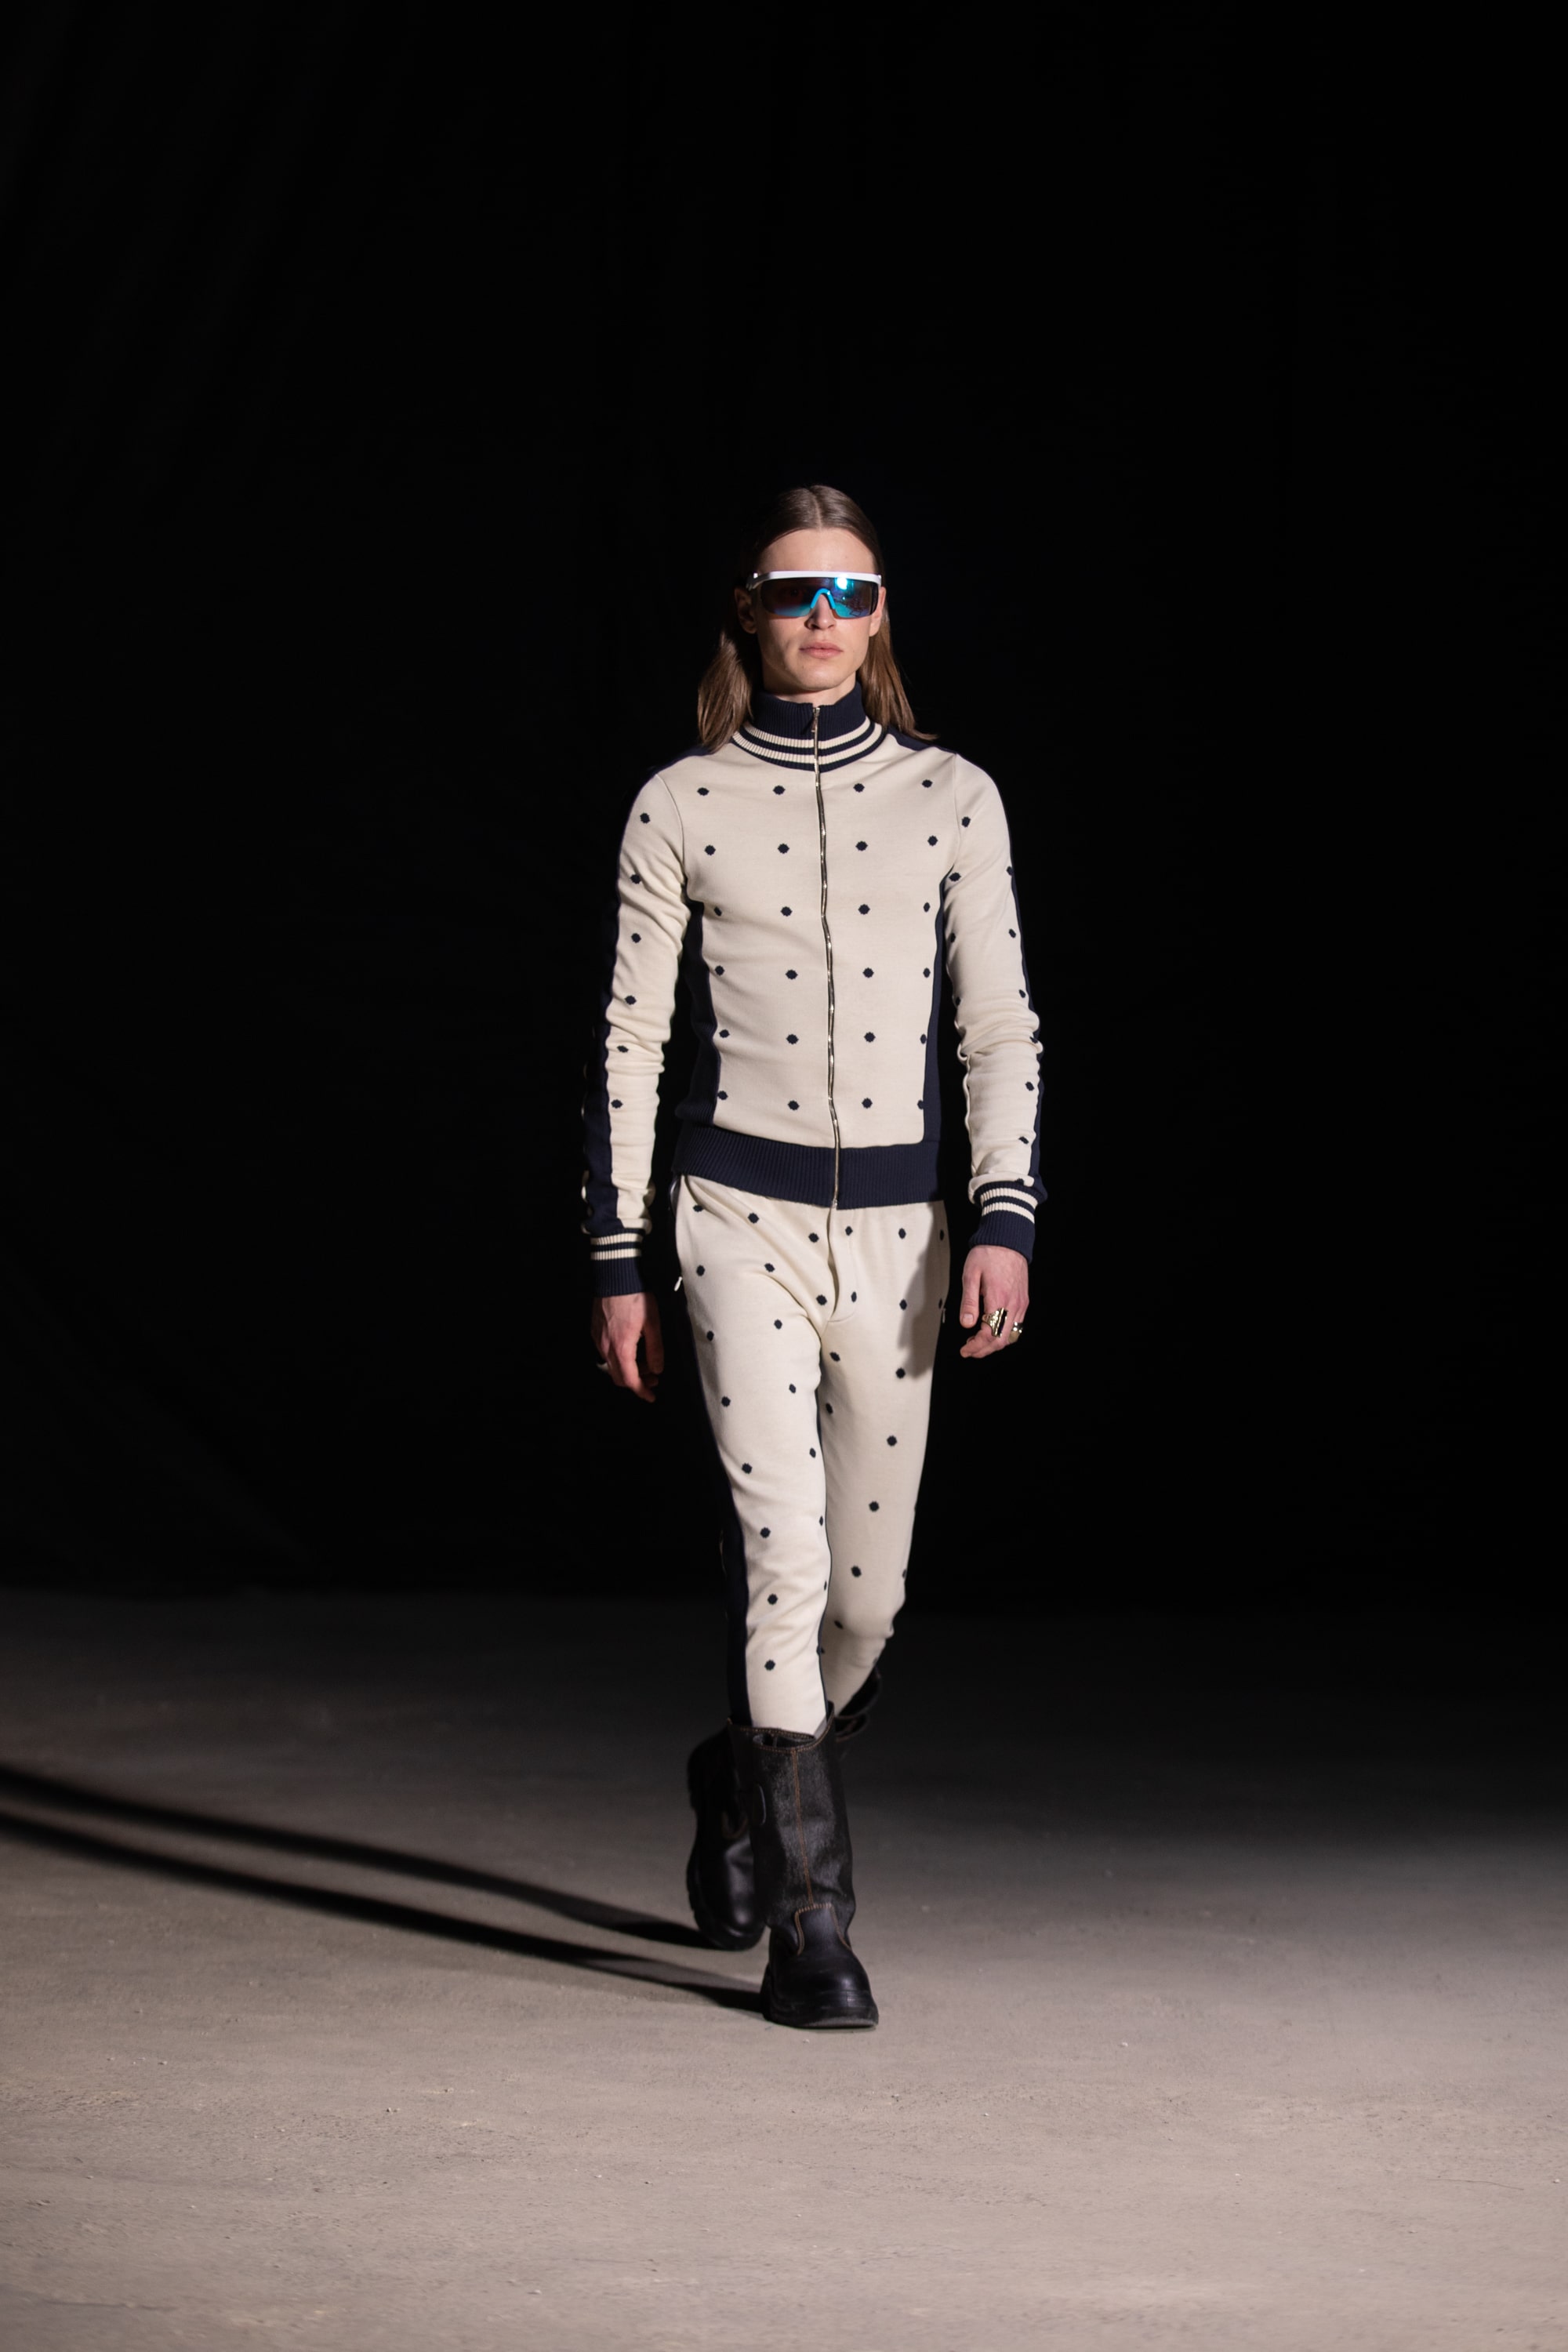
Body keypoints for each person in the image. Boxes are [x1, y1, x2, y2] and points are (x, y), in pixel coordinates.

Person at [583, 485, 1040, 2029]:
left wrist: (1004, 1213)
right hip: (736, 1225)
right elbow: (629, 1041)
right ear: (749, 609)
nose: (825, 620)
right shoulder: (681, 803)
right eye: (797, 591)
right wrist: (617, 1255)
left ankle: (738, 1777)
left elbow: (998, 1024)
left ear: (883, 612)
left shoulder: (955, 797)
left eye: (854, 593)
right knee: (778, 1564)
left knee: (866, 1604)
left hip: (901, 1238)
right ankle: (814, 1930)